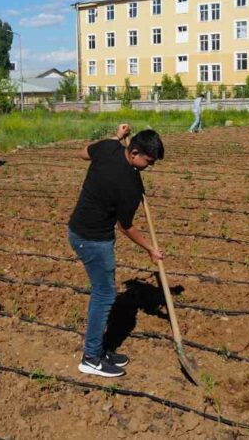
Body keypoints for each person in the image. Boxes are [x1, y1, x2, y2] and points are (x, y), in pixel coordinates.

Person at [68, 123, 165, 378]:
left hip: (79, 229)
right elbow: (126, 227)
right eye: (149, 161)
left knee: (105, 290)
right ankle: (90, 358)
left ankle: (101, 349)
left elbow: (83, 152)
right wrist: (150, 250)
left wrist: (116, 137)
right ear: (134, 154)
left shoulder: (110, 147)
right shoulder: (128, 185)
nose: (151, 166)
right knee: (105, 294)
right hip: (92, 239)